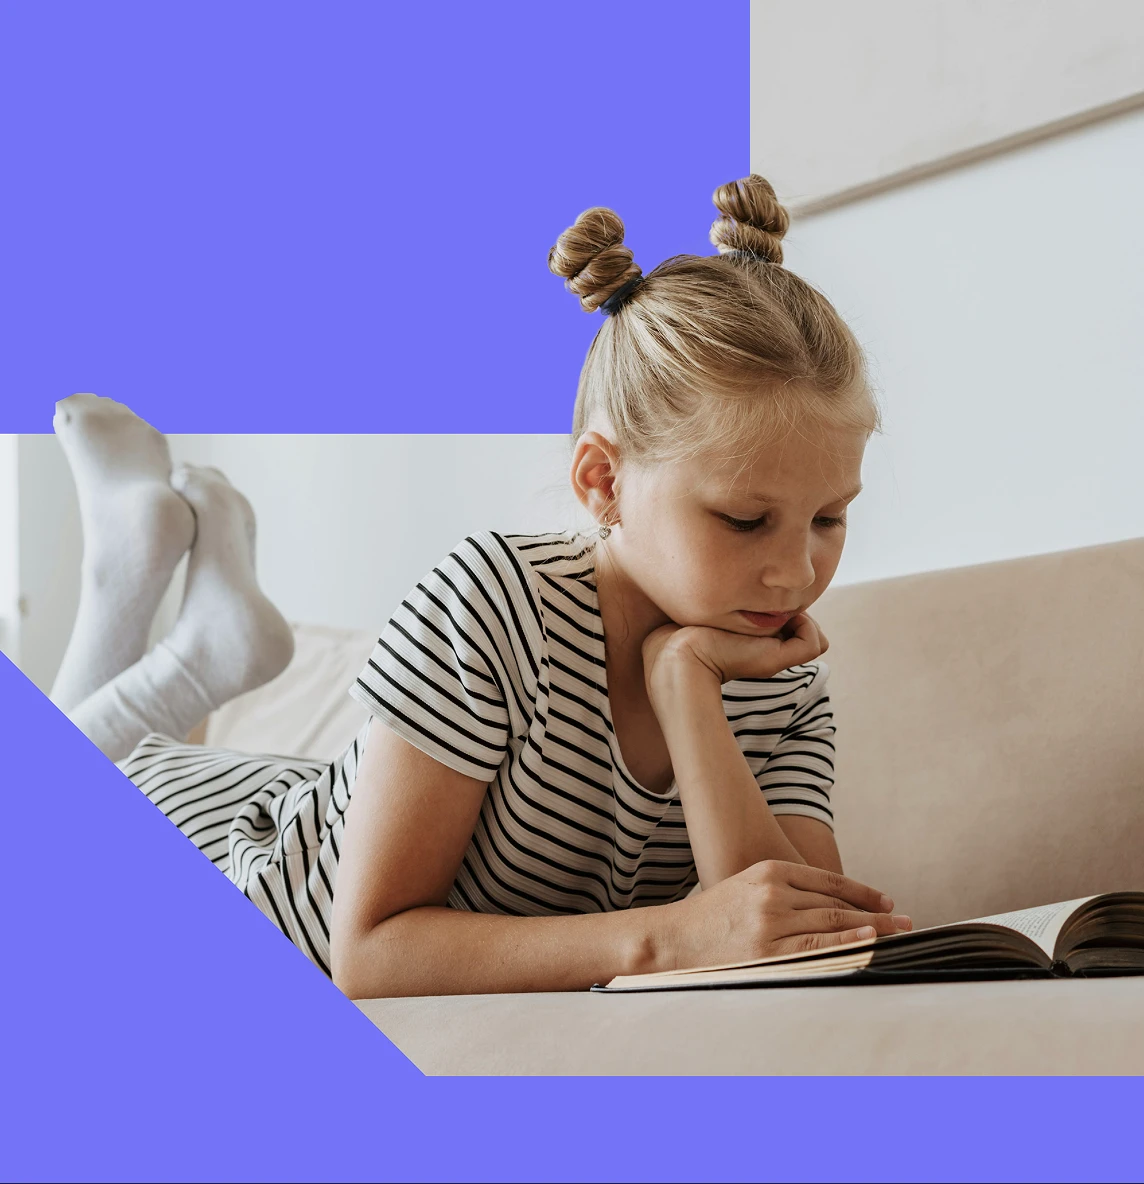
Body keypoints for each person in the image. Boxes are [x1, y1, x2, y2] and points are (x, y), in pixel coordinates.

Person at [53, 173, 914, 998]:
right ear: (603, 483)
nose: (797, 573)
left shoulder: (780, 678)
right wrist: (665, 939)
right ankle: (143, 588)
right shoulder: (494, 603)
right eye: (743, 519)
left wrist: (686, 688)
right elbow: (369, 953)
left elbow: (795, 938)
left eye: (829, 518)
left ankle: (175, 615)